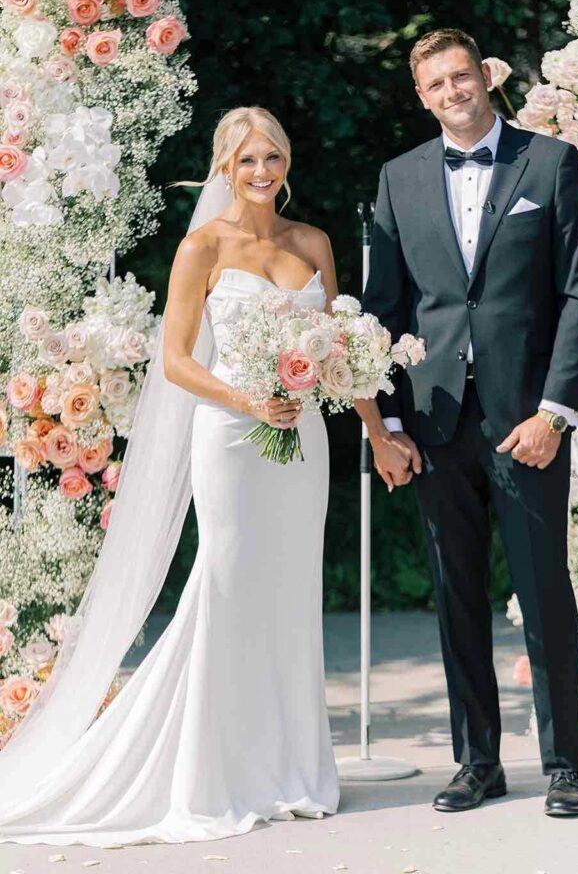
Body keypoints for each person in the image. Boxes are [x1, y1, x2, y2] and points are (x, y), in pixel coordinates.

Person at [0, 106, 340, 844]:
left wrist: (364, 417)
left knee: (290, 590)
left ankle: (290, 769)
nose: (260, 173)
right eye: (246, 161)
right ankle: (209, 774)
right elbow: (177, 359)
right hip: (231, 432)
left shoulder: (312, 241)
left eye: (272, 158)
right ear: (223, 167)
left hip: (303, 438)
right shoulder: (202, 247)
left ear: (286, 163)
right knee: (224, 582)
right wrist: (249, 397)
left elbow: (337, 341)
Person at [356, 29, 578, 818]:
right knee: (454, 596)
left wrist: (554, 412)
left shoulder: (549, 163)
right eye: (435, 84)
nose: (452, 92)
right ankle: (477, 763)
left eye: (461, 76)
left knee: (543, 591)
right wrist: (386, 424)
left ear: (483, 78)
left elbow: (577, 293)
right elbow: (383, 312)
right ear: (421, 96)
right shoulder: (397, 180)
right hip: (433, 425)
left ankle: (566, 765)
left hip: (525, 422)